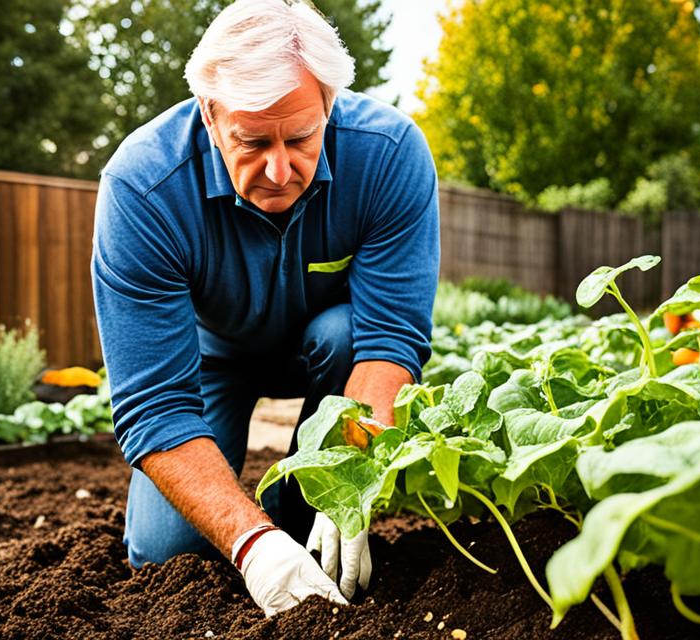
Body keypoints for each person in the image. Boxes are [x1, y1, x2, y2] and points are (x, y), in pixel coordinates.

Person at [90, 0, 440, 617]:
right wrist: (252, 545)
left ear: (329, 106)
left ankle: (295, 508)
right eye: (251, 141)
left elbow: (389, 338)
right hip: (208, 362)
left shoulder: (388, 154)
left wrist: (350, 478)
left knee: (346, 330)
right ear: (210, 114)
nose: (279, 170)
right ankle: (263, 529)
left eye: (301, 137)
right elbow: (154, 403)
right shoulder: (143, 186)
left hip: (332, 357)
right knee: (167, 552)